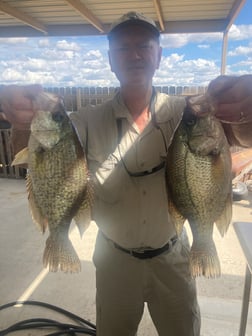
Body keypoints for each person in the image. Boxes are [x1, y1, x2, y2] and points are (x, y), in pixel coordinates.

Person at [0, 11, 252, 336]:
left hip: (174, 256)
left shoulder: (186, 113)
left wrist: (246, 109)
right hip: (114, 260)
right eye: (122, 48)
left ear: (158, 56)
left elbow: (241, 137)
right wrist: (21, 120)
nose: (134, 54)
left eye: (144, 46)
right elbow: (41, 148)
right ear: (110, 61)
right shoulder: (86, 120)